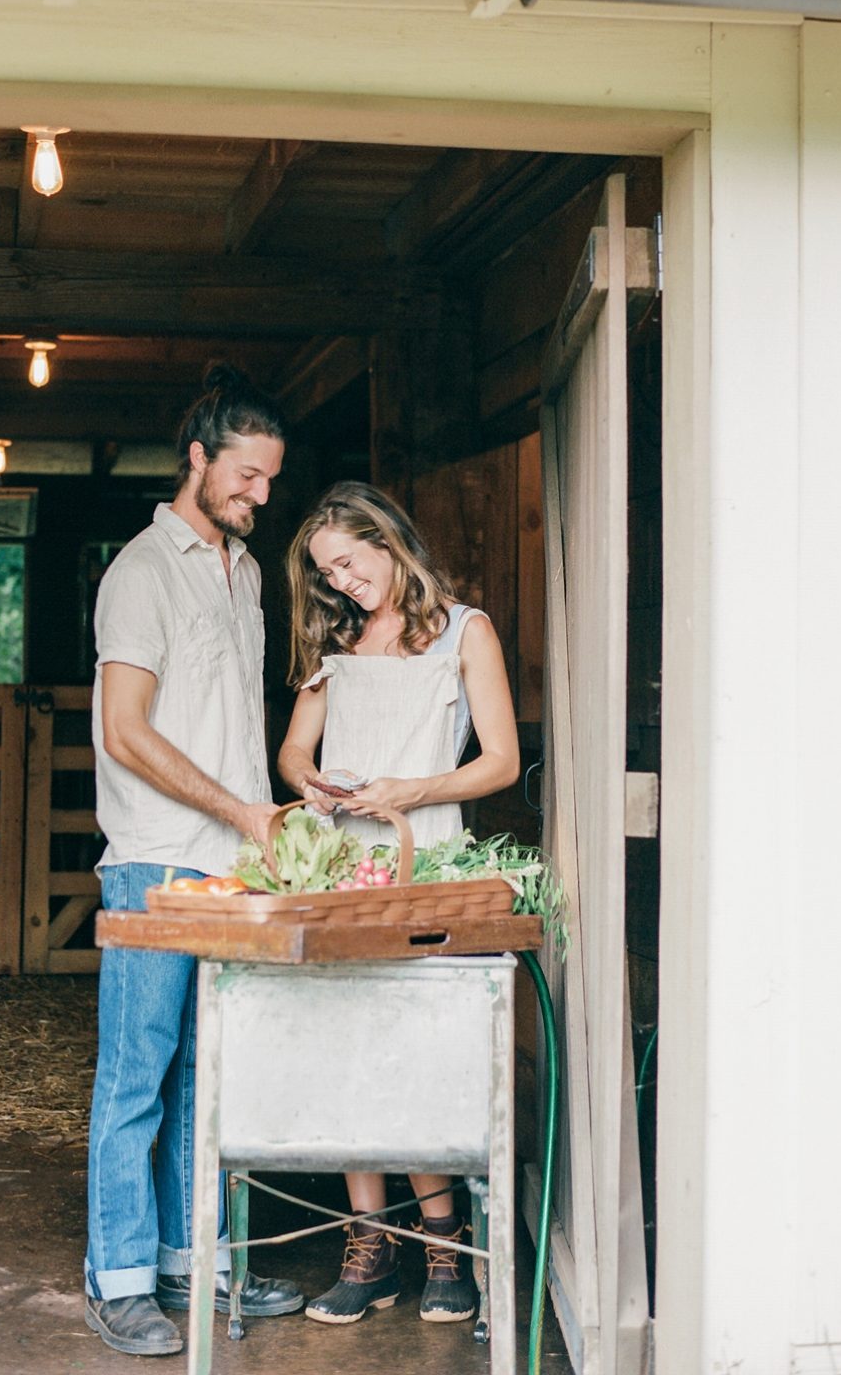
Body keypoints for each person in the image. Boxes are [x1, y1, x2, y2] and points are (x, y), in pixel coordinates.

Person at [84, 366, 303, 1358]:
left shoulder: (246, 573)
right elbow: (126, 733)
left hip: (235, 864)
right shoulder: (139, 572)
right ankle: (119, 1279)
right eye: (247, 477)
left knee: (207, 1079)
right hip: (157, 860)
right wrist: (239, 811)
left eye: (270, 481)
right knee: (140, 1071)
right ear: (199, 458)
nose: (261, 496)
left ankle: (200, 1265)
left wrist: (266, 821)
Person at [277, 481, 520, 1327]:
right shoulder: (337, 639)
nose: (340, 582)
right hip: (341, 863)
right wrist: (314, 787)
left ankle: (443, 1239)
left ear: (385, 541)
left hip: (428, 859)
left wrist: (413, 790)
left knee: (419, 1052)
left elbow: (500, 760)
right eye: (326, 572)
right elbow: (292, 751)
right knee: (349, 1053)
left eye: (348, 561)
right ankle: (369, 1244)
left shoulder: (464, 630)